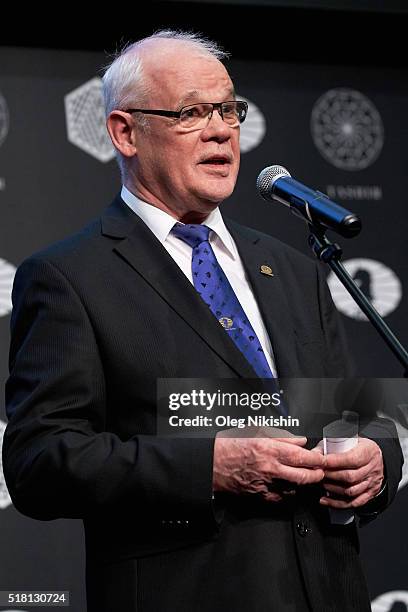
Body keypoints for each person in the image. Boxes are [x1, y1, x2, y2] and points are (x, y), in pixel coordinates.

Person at [3, 30, 403, 612]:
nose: (221, 130)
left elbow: (361, 419)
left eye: (229, 109)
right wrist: (207, 468)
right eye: (191, 112)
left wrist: (377, 462)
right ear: (124, 132)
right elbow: (40, 462)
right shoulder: (70, 278)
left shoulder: (293, 269)